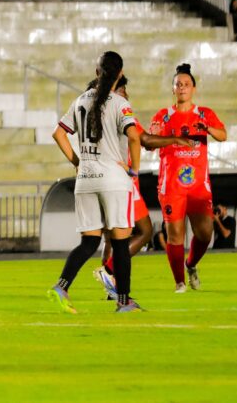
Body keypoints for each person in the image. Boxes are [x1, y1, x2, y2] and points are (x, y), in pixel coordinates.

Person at [48, 51, 143, 313]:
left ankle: (62, 285)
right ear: (120, 74)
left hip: (86, 180)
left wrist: (77, 162)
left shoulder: (80, 100)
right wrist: (134, 170)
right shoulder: (119, 103)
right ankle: (124, 301)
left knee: (89, 242)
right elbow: (134, 137)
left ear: (96, 71)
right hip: (113, 180)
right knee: (121, 243)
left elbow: (58, 134)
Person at [90, 76, 191, 299]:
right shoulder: (122, 112)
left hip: (99, 179)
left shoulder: (98, 114)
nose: (127, 95)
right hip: (123, 181)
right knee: (144, 231)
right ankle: (108, 271)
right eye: (124, 90)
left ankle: (111, 288)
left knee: (112, 235)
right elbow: (144, 139)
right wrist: (174, 139)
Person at [149, 63, 227, 293]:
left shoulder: (205, 114)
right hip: (172, 185)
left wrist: (208, 129)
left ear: (193, 88)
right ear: (173, 89)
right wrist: (162, 136)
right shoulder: (163, 116)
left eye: (186, 84)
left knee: (205, 234)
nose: (182, 87)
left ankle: (191, 265)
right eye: (178, 84)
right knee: (175, 236)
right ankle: (179, 282)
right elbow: (149, 143)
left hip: (198, 187)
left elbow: (223, 135)